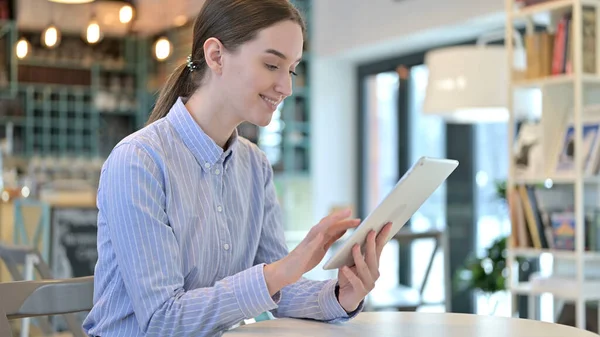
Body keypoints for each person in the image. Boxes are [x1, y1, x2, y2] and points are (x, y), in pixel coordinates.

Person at [82, 0, 393, 336]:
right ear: (216, 56)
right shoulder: (138, 161)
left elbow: (278, 294)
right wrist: (282, 269)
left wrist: (339, 295)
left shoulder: (255, 166)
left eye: (291, 70)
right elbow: (163, 320)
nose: (286, 88)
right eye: (272, 65)